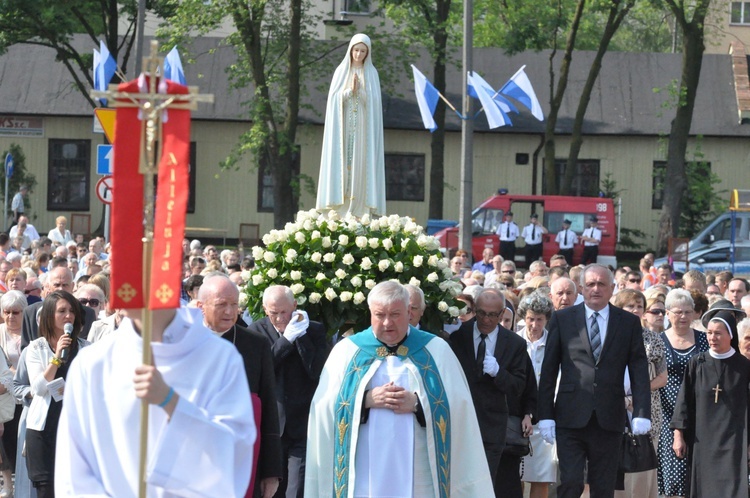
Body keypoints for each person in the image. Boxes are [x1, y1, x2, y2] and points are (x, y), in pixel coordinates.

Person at [305, 281, 494, 496]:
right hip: (363, 471)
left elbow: (460, 409)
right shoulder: (347, 352)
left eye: (395, 314)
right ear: (370, 314)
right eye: (379, 315)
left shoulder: (436, 350)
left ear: (409, 312)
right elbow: (322, 409)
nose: (387, 323)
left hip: (420, 469)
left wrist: (418, 404)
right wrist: (365, 400)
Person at [55, 306, 256, 497]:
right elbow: (73, 471)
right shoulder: (92, 362)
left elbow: (234, 452)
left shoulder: (219, 357)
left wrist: (171, 402)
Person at [537, 264, 651, 498]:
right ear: (581, 288)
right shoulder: (562, 319)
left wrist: (641, 411)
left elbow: (639, 368)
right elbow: (548, 370)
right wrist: (545, 414)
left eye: (601, 284)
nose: (595, 289)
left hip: (609, 417)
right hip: (570, 415)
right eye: (590, 284)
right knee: (570, 482)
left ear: (612, 288)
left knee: (603, 486)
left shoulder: (627, 323)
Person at [198, 275, 282, 498]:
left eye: (234, 305)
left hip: (241, 459)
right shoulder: (182, 342)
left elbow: (268, 409)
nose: (229, 311)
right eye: (221, 305)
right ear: (200, 306)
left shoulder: (256, 344)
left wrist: (271, 471)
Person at [247, 285, 329, 498]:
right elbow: (262, 371)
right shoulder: (256, 332)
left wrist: (300, 336)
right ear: (265, 309)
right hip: (272, 426)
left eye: (285, 312)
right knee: (272, 490)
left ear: (295, 306)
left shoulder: (315, 330)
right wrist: (286, 340)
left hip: (303, 423)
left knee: (296, 488)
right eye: (274, 313)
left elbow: (317, 371)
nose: (280, 318)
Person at [449, 288, 530, 492]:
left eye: (492, 315)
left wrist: (498, 373)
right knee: (458, 484)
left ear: (502, 314)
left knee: (485, 486)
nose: (486, 320)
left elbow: (519, 386)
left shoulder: (514, 344)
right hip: (461, 422)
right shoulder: (459, 335)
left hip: (492, 426)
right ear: (475, 310)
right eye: (482, 313)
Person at [671, 310, 750, 498]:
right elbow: (683, 401)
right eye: (709, 332)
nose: (712, 337)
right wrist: (678, 435)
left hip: (735, 439)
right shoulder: (697, 363)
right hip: (703, 439)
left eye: (718, 333)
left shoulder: (744, 366)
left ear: (730, 335)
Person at [24, 291, 88, 497]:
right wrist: (56, 359)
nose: (68, 316)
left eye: (72, 311)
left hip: (75, 430)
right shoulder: (36, 348)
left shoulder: (87, 349)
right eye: (62, 311)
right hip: (43, 430)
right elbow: (38, 389)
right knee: (45, 490)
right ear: (50, 315)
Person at [316, 33, 385, 219]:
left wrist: (360, 92)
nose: (359, 54)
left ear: (367, 53)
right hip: (343, 126)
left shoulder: (371, 74)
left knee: (360, 164)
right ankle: (339, 208)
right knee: (343, 162)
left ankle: (359, 208)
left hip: (363, 127)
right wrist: (348, 92)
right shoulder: (341, 72)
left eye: (363, 51)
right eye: (356, 50)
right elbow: (333, 100)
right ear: (350, 50)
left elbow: (374, 104)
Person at [613, 289, 667, 498]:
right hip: (614, 406)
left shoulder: (653, 339)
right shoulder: (610, 336)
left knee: (641, 463)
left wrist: (638, 395)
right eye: (630, 306)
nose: (635, 311)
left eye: (639, 307)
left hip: (645, 407)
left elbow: (662, 378)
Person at [657, 289, 708, 498]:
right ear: (668, 313)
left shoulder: (704, 340)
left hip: (700, 416)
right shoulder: (658, 341)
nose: (684, 317)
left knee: (699, 477)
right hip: (667, 417)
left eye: (688, 312)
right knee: (674, 478)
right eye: (678, 312)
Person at [517, 292, 557, 498]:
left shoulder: (554, 343)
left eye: (539, 319)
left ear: (547, 319)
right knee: (515, 477)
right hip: (517, 415)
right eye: (531, 318)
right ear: (524, 317)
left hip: (544, 418)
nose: (534, 324)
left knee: (541, 476)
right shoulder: (513, 340)